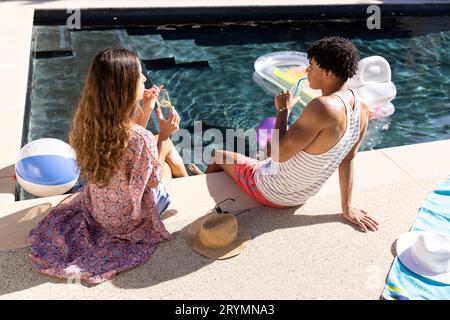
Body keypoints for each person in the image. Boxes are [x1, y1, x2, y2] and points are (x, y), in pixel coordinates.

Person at [28, 48, 189, 284]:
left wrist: (146, 107)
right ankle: (188, 180)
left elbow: (126, 142)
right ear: (125, 86)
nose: (144, 78)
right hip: (129, 220)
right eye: (139, 75)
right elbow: (152, 179)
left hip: (99, 211)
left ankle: (186, 174)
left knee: (154, 144)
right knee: (167, 152)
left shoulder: (89, 121)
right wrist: (164, 135)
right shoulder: (139, 139)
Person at [206, 37, 379, 233]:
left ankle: (200, 190)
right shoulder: (362, 107)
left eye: (312, 67)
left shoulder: (322, 107)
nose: (307, 71)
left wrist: (283, 111)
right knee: (255, 158)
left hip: (271, 191)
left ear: (328, 73)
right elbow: (348, 159)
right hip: (302, 195)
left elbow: (276, 154)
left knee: (218, 155)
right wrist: (347, 208)